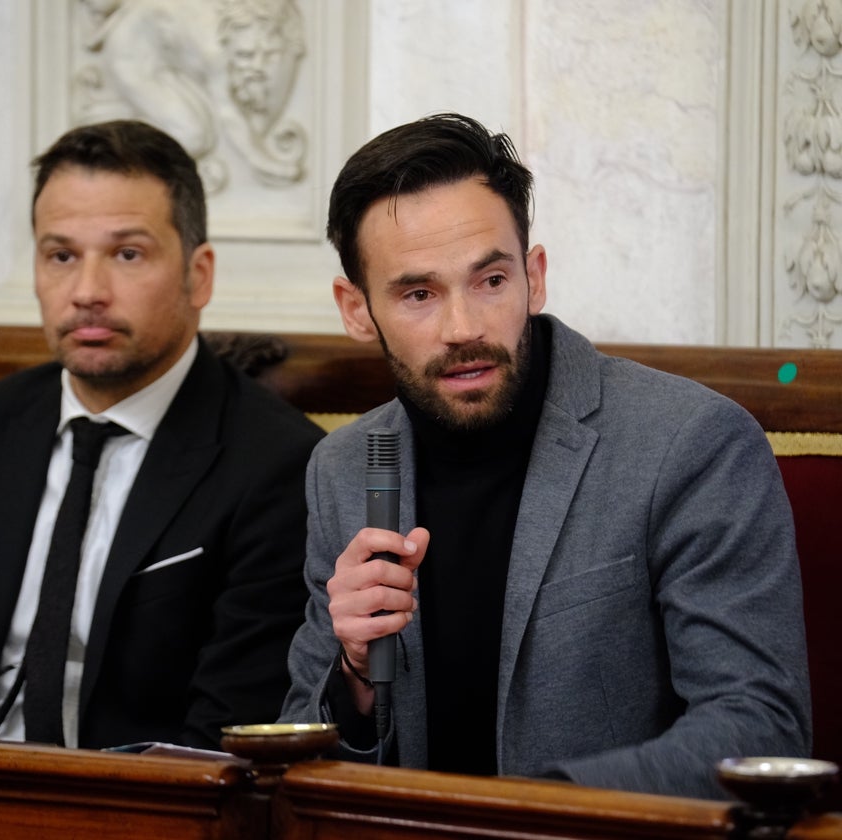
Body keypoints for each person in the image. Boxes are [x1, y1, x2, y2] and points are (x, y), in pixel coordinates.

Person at [279, 113, 811, 799]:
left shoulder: (690, 443)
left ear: (534, 275)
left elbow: (760, 731)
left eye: (490, 281)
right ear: (356, 310)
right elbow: (301, 752)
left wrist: (533, 815)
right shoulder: (343, 468)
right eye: (418, 294)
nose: (463, 328)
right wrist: (351, 675)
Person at [0, 119, 323, 749]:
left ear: (200, 275)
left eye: (127, 254)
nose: (87, 292)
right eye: (61, 256)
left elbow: (225, 742)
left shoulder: (276, 463)